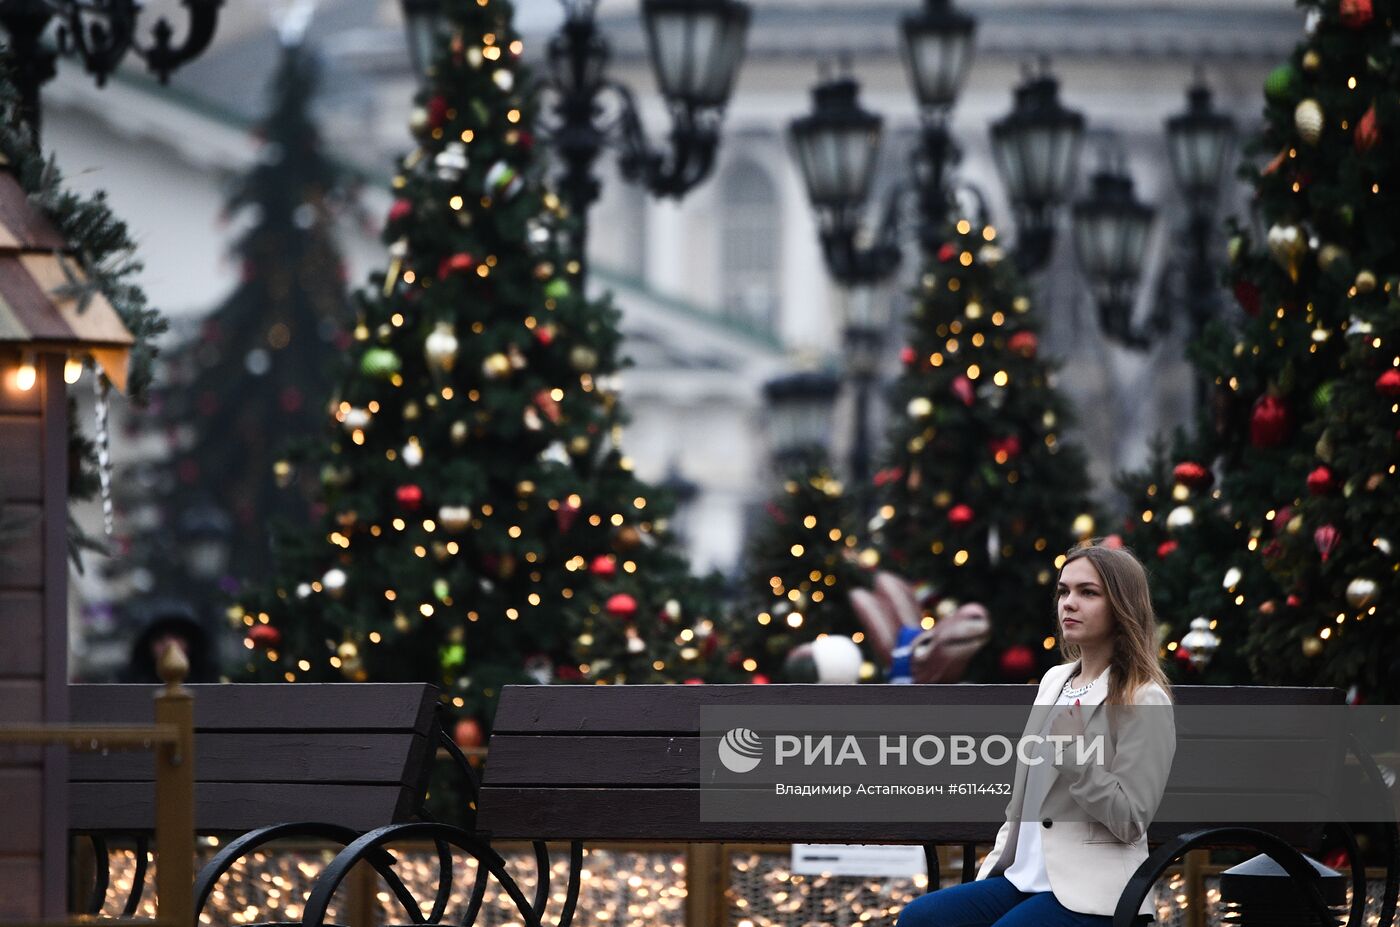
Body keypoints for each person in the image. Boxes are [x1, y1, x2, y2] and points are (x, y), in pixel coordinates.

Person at [896, 541, 1176, 927]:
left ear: (1122, 606)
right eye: (1064, 591)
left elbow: (1131, 820)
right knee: (921, 918)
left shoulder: (1142, 699)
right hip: (1021, 879)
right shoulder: (1054, 681)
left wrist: (1076, 758)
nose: (1069, 603)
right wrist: (997, 864)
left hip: (1092, 894)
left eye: (1088, 593)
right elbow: (1025, 797)